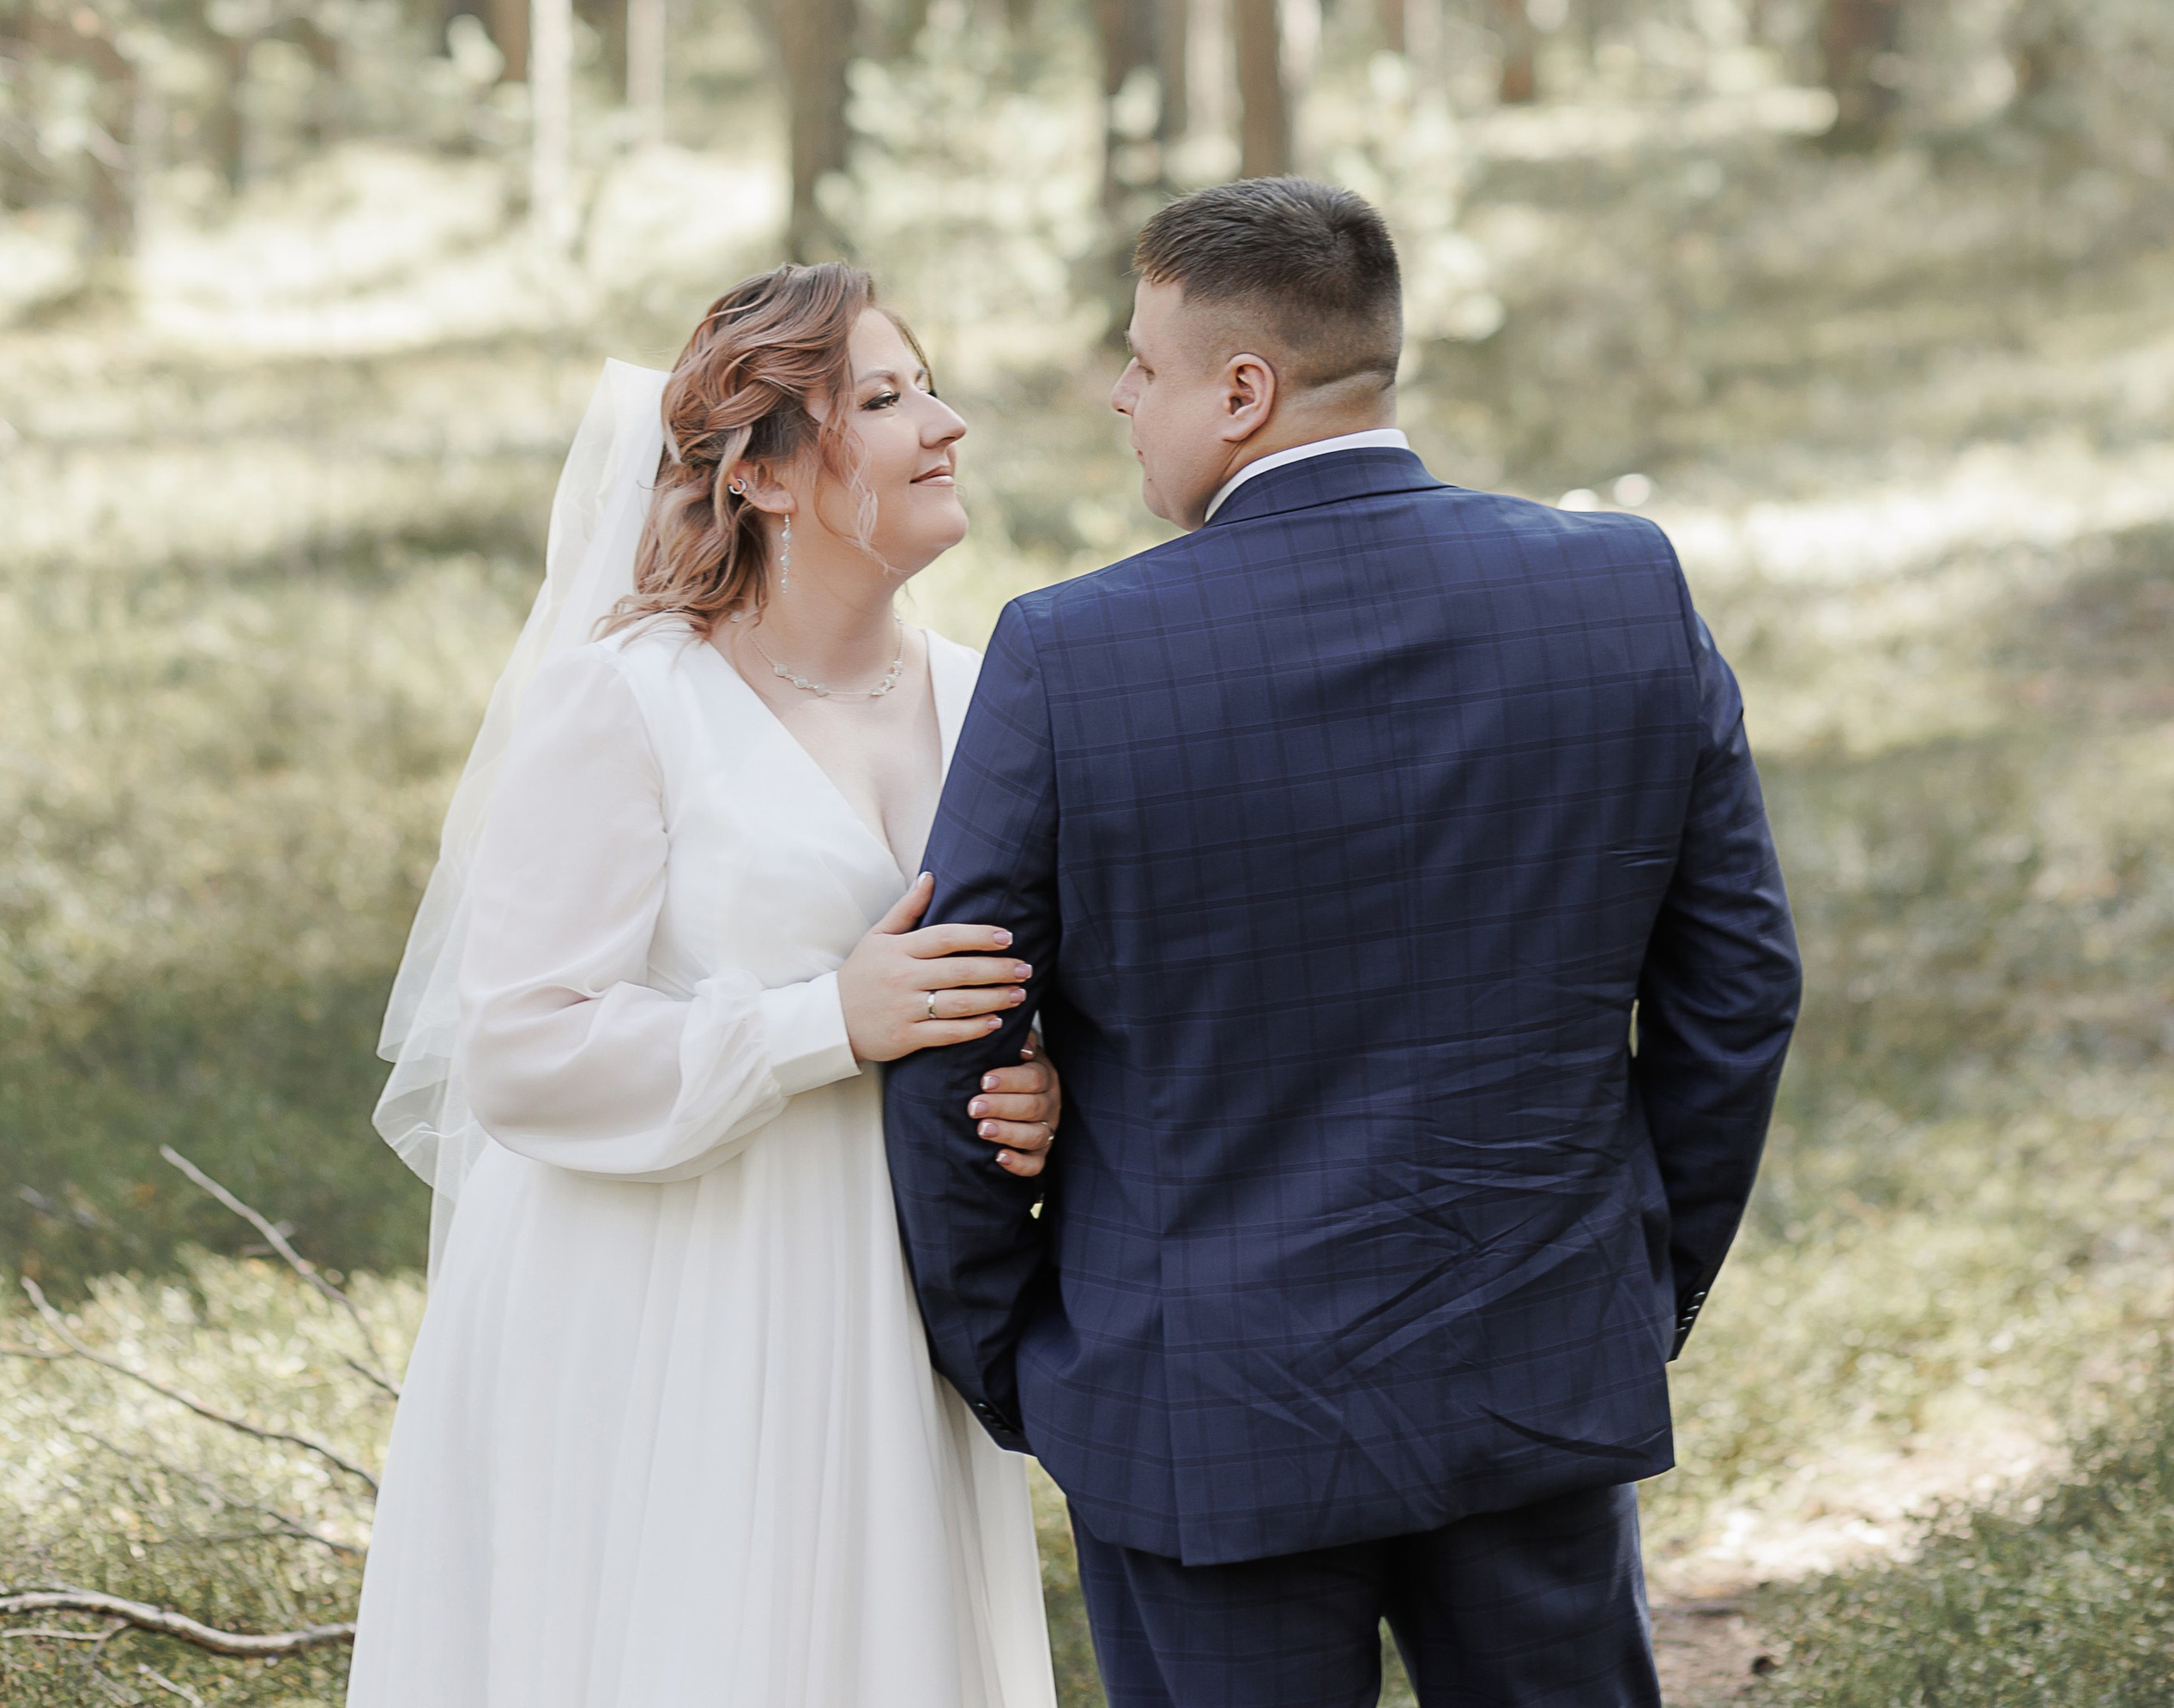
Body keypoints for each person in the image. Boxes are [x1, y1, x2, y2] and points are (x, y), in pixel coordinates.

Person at [885, 176, 1802, 1708]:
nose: (1121, 396)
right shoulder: (1619, 588)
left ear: (1243, 392)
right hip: (1536, 1370)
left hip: (1194, 1400)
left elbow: (951, 1027)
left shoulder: (1069, 656)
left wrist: (1025, 1348)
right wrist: (1637, 1290)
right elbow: (1740, 991)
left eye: (1146, 363)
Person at [348, 263, 1059, 1708]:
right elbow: (521, 1051)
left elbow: (1006, 982)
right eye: (886, 397)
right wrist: (823, 1024)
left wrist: (1041, 1088)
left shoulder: (989, 694)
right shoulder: (630, 701)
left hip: (890, 1298)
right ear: (764, 474)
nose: (947, 423)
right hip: (666, 1304)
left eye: (928, 388)